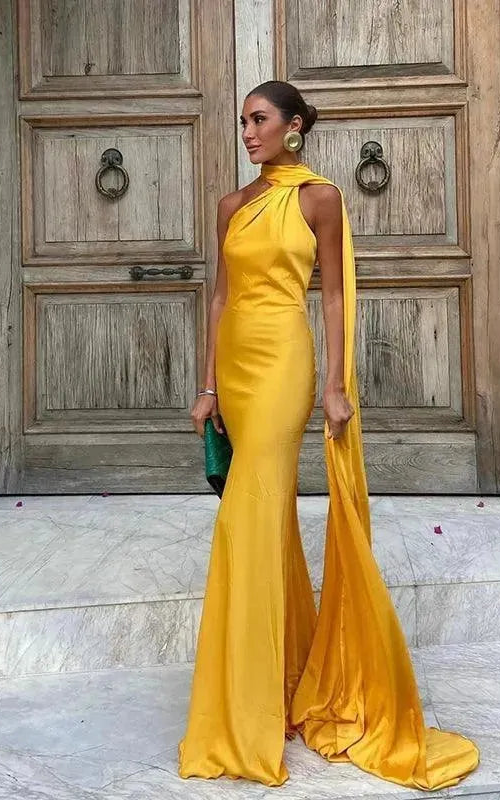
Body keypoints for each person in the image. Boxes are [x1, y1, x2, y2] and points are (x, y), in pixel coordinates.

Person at [178, 80, 480, 790]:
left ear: (295, 126)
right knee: (264, 522)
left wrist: (337, 384)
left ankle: (242, 713)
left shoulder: (320, 198)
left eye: (260, 120)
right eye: (243, 122)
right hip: (237, 368)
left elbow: (337, 291)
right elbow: (220, 296)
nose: (248, 132)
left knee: (246, 520)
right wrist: (207, 386)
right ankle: (278, 684)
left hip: (285, 361)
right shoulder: (232, 204)